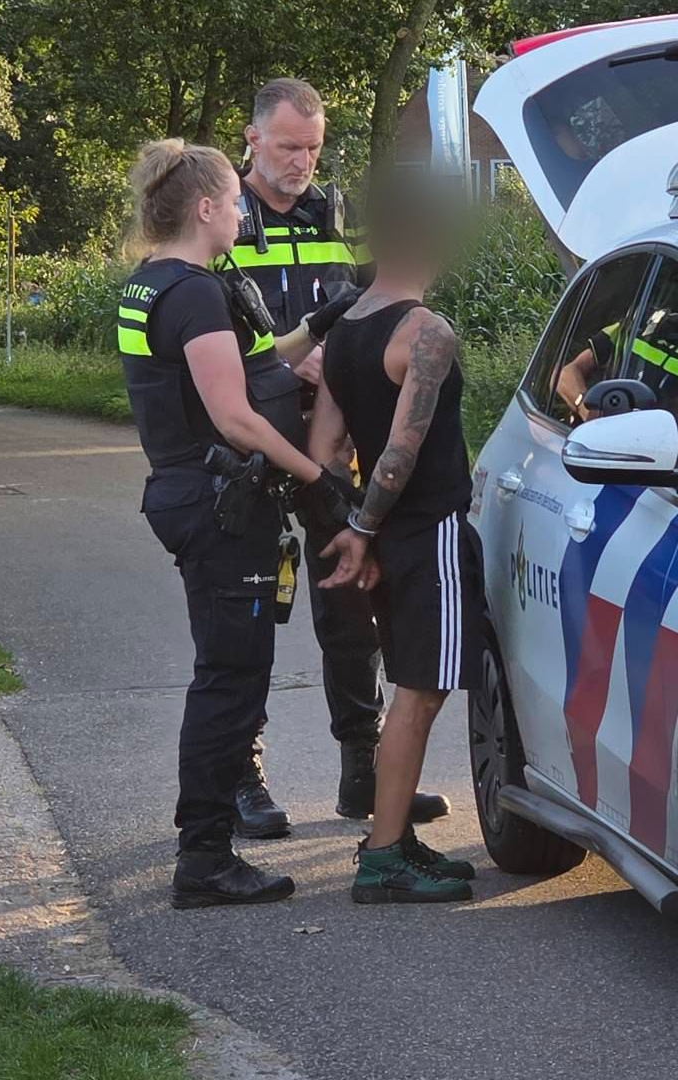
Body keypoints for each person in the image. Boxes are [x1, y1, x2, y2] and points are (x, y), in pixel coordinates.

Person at [118, 137, 359, 907]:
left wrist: (321, 321)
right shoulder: (193, 293)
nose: (240, 216)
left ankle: (207, 847)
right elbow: (234, 415)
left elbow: (255, 364)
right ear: (204, 209)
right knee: (230, 680)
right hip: (220, 503)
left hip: (189, 495)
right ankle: (205, 857)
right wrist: (317, 478)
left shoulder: (153, 284)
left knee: (226, 672)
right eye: (232, 204)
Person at [219, 76, 446, 840]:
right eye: (288, 147)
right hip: (250, 437)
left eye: (312, 149)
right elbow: (206, 332)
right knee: (248, 609)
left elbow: (376, 304)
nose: (302, 162)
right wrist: (286, 360)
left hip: (333, 437)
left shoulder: (336, 216)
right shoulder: (222, 216)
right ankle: (241, 775)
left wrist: (348, 359)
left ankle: (363, 770)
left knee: (352, 606)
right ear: (252, 139)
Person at [309, 177, 482, 903]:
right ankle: (383, 858)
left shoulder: (345, 330)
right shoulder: (425, 332)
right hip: (429, 530)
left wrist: (357, 529)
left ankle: (393, 834)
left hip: (385, 538)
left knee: (411, 688)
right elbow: (398, 455)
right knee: (420, 693)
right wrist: (364, 530)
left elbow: (325, 450)